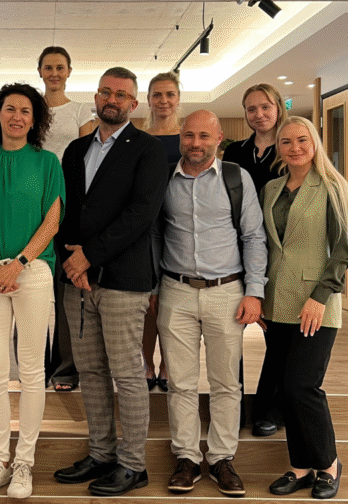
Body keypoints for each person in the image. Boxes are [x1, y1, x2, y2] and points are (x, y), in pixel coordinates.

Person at [53, 67, 168, 497]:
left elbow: (141, 214)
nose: (112, 100)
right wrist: (72, 260)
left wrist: (89, 255)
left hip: (123, 280)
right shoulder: (76, 148)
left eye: (121, 95)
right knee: (91, 371)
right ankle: (101, 454)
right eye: (106, 92)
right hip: (78, 281)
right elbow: (63, 208)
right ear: (96, 97)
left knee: (127, 373)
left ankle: (133, 464)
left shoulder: (149, 150)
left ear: (133, 104)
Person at [154, 110, 267, 497]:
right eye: (189, 135)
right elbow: (154, 233)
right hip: (176, 290)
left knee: (226, 383)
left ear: (219, 138)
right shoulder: (164, 179)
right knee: (180, 383)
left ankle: (221, 459)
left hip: (227, 292)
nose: (195, 143)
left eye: (204, 136)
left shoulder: (236, 178)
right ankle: (186, 457)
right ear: (180, 138)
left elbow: (254, 237)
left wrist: (255, 291)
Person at [0, 83, 64, 499]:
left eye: (25, 111)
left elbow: (52, 221)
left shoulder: (47, 162)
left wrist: (19, 263)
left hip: (33, 272)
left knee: (32, 371)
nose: (17, 116)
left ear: (34, 119)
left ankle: (24, 462)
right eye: (10, 109)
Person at [261, 116, 348, 500]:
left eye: (302, 140)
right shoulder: (271, 188)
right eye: (286, 141)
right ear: (278, 147)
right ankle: (300, 467)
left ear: (314, 143)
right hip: (276, 302)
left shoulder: (333, 188)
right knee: (285, 388)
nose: (294, 148)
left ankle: (329, 464)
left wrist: (320, 296)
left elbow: (342, 252)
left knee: (303, 385)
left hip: (314, 303)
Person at [223, 82, 289, 437]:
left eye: (265, 107)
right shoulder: (236, 151)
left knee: (276, 335)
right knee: (229, 333)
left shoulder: (290, 146)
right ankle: (230, 409)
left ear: (278, 107)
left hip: (280, 248)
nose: (259, 114)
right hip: (239, 248)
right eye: (251, 109)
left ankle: (270, 409)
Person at [37, 46, 95, 392]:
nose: (54, 73)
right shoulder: (31, 107)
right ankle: (33, 365)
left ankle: (65, 367)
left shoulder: (80, 111)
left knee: (65, 292)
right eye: (48, 67)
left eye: (60, 67)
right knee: (30, 289)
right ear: (40, 71)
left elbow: (88, 161)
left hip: (69, 207)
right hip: (34, 204)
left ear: (69, 71)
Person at [141, 71, 183, 393]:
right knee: (148, 300)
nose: (163, 101)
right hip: (145, 227)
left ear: (178, 99)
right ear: (148, 99)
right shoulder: (139, 139)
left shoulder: (188, 138)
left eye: (170, 94)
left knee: (173, 300)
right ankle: (146, 363)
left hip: (181, 227)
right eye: (157, 94)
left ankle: (168, 364)